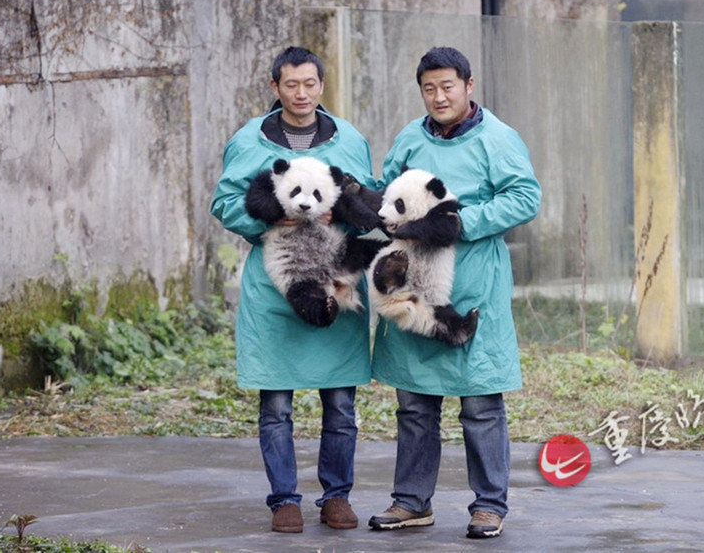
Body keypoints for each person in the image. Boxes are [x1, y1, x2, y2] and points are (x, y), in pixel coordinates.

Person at [368, 46, 542, 539]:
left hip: (472, 282)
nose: (439, 96)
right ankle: (411, 501)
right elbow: (388, 191)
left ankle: (489, 505)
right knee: (414, 403)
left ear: (469, 85)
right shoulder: (409, 137)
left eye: (448, 86)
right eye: (429, 88)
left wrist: (460, 224)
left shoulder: (498, 138)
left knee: (480, 404)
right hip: (414, 284)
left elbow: (526, 196)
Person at [210, 46, 373, 534]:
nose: (301, 93)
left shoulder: (349, 141)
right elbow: (224, 202)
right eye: (291, 85)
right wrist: (269, 218)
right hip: (275, 285)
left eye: (309, 83)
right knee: (276, 403)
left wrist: (341, 212)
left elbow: (365, 197)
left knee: (341, 402)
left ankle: (337, 495)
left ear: (321, 85)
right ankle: (284, 499)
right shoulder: (249, 141)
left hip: (334, 283)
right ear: (275, 88)